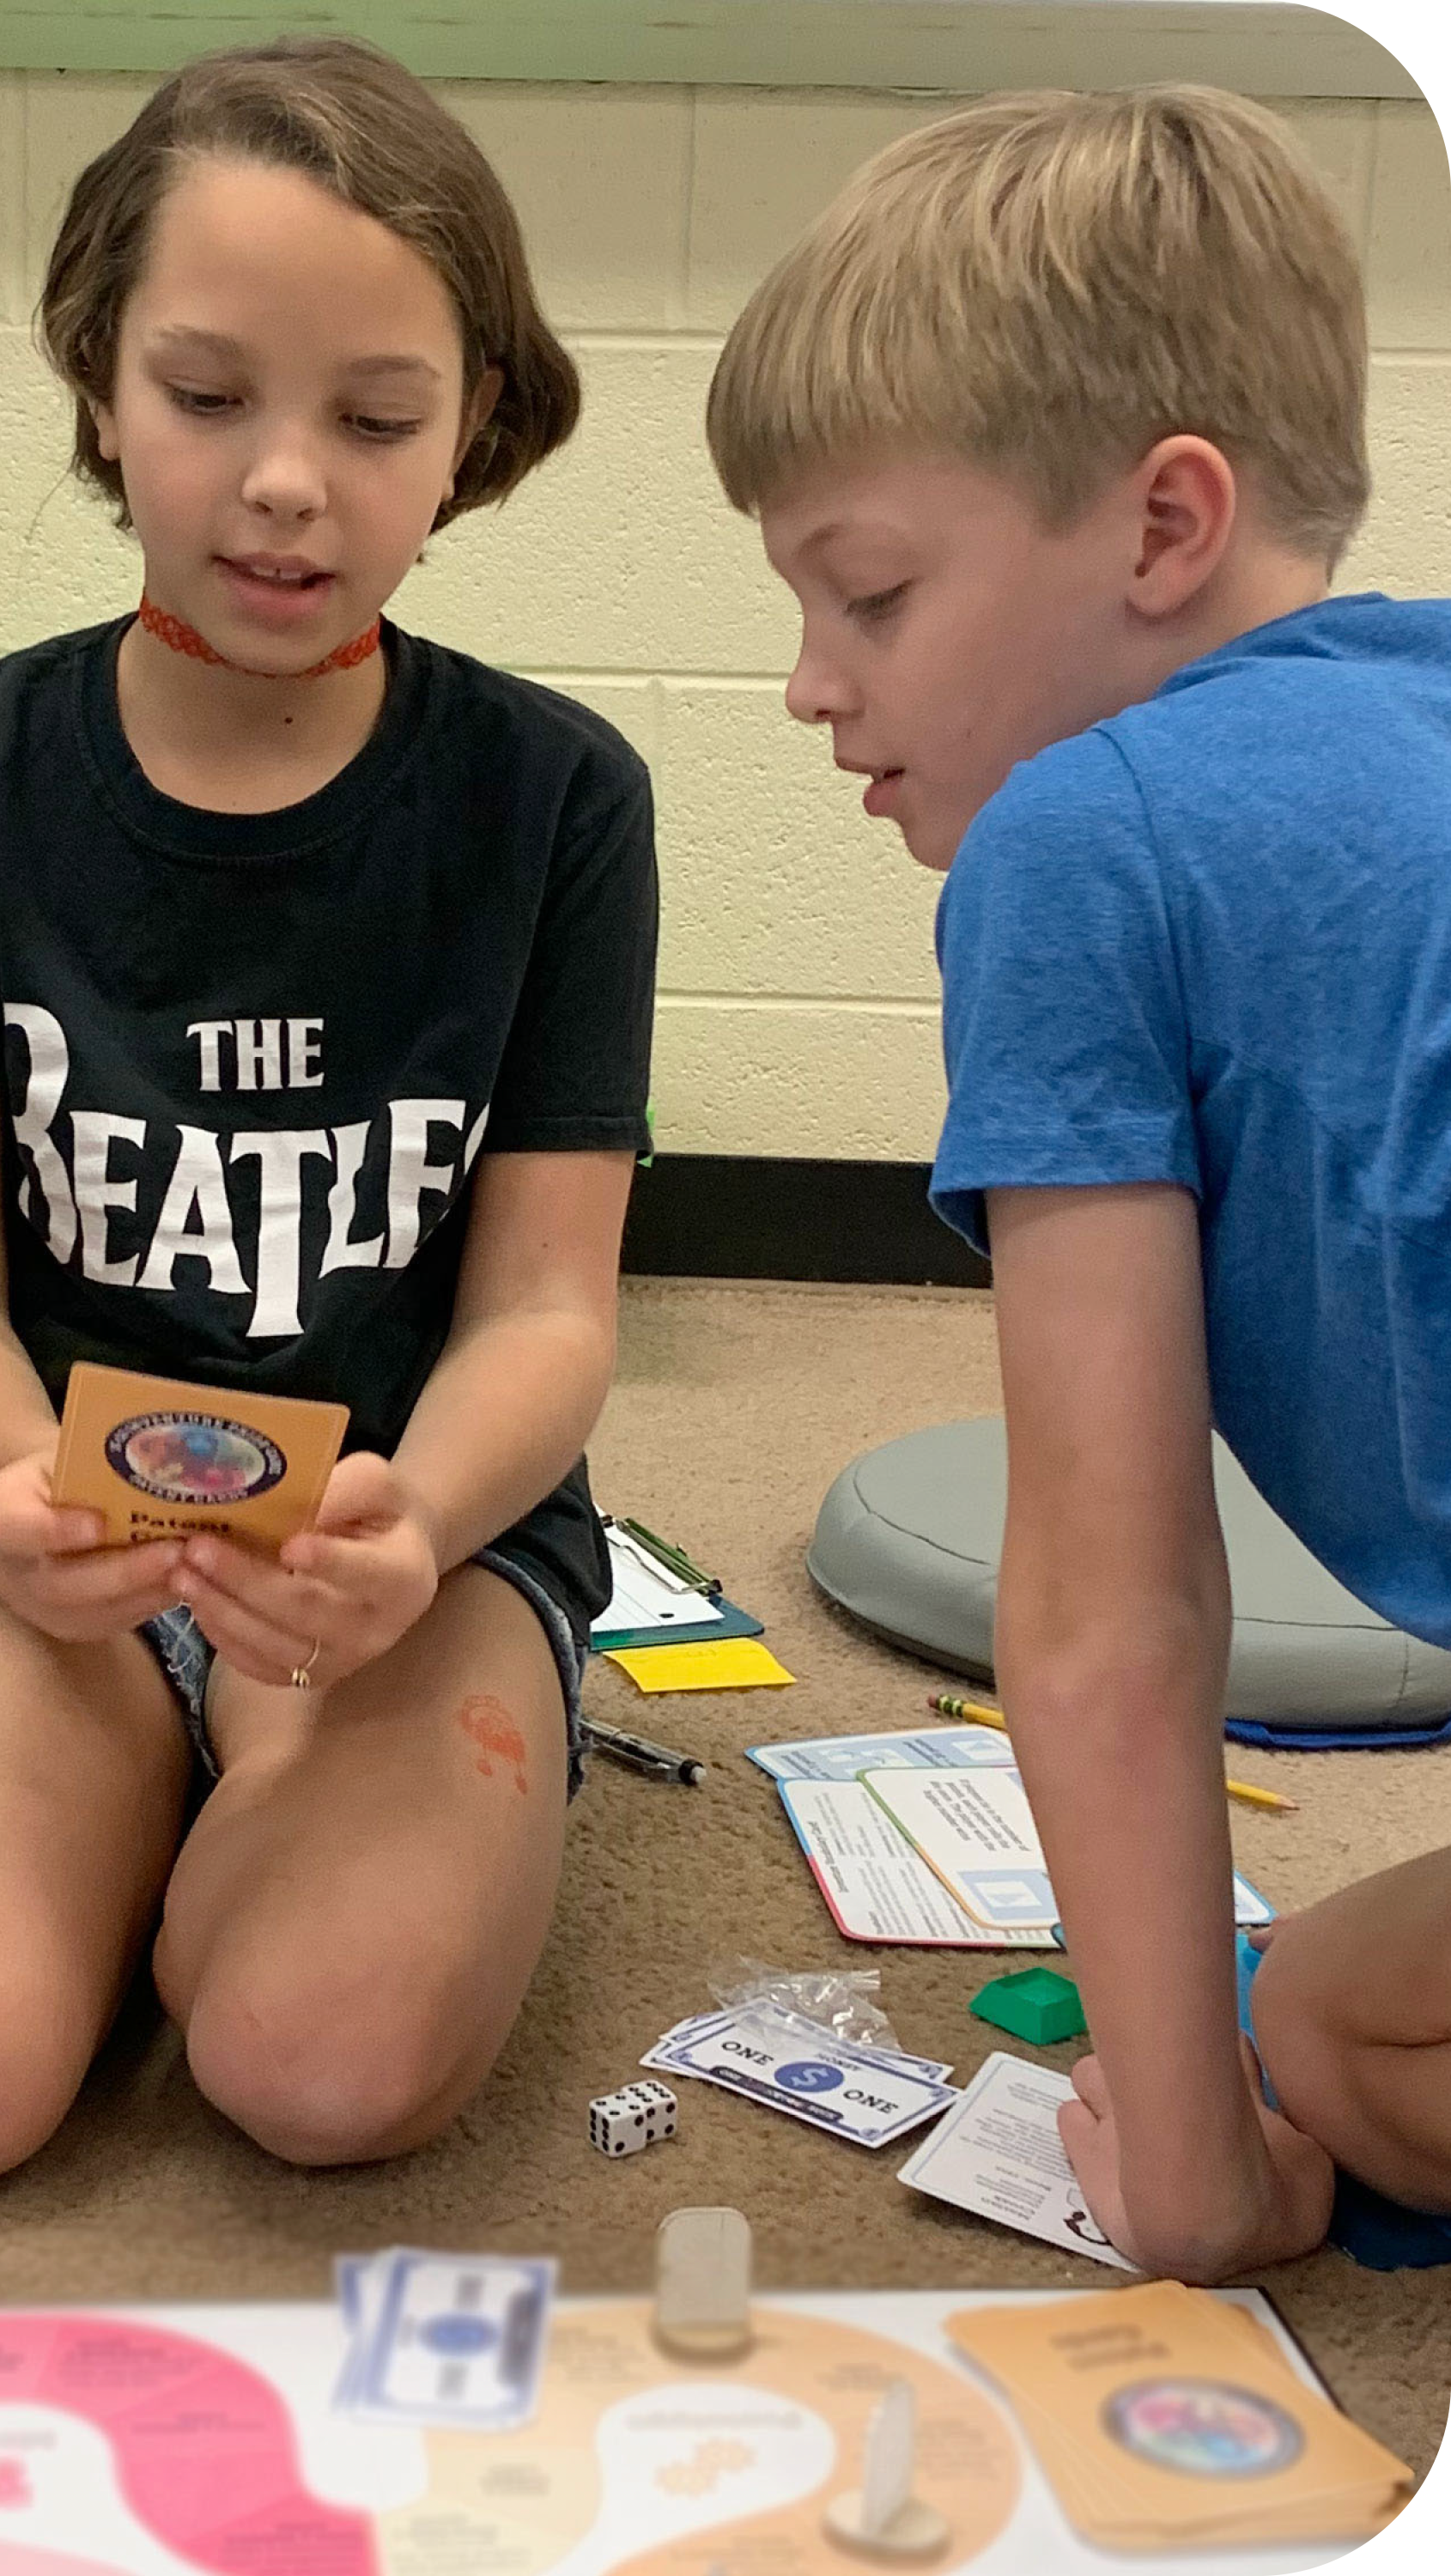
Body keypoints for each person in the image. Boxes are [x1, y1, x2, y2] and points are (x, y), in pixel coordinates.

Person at [0, 33, 655, 2186]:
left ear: (474, 440)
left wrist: (421, 1527)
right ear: (97, 387)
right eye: (205, 392)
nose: (284, 482)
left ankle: (245, 1814)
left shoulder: (559, 799)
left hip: (413, 1554)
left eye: (375, 418)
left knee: (321, 2068)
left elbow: (548, 1315)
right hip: (46, 1543)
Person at [707, 85, 1450, 2280]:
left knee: (1302, 2033)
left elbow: (1114, 1615)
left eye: (870, 594)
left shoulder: (1080, 843)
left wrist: (1206, 2183)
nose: (810, 686)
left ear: (1162, 526)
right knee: (1332, 1998)